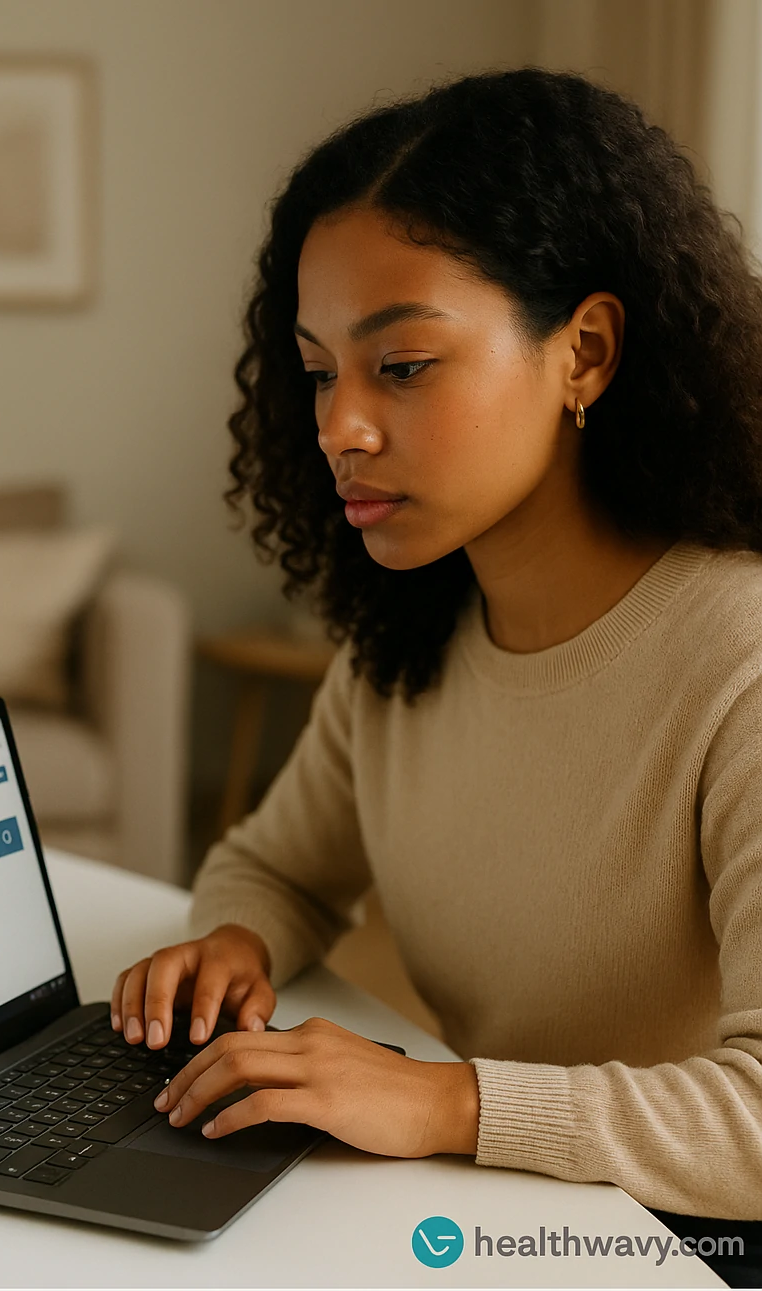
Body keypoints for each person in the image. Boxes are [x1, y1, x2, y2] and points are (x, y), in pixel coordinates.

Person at [110, 67, 762, 1285]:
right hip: (507, 1215)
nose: (337, 426)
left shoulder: (739, 661)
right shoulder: (407, 632)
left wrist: (446, 1103)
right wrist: (235, 940)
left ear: (586, 353)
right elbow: (279, 860)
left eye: (399, 366)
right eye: (316, 372)